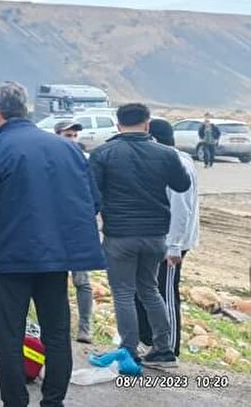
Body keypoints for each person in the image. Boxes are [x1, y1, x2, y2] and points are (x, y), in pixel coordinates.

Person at [0, 81, 106, 405]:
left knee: (7, 337)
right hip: (55, 257)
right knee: (57, 333)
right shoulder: (68, 149)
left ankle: (15, 401)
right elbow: (92, 201)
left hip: (9, 258)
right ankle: (53, 401)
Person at [89, 103, 191, 371]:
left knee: (123, 293)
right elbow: (182, 184)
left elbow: (92, 197)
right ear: (147, 124)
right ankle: (163, 349)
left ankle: (129, 351)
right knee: (150, 289)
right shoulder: (166, 154)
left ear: (117, 124)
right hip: (155, 235)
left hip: (120, 235)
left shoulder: (103, 153)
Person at [138, 119, 200, 358]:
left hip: (170, 244)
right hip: (156, 240)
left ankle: (168, 350)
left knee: (166, 292)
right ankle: (149, 341)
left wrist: (173, 245)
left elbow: (181, 207)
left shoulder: (175, 163)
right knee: (145, 290)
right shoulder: (163, 160)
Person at [52, 119, 96, 344]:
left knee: (82, 280)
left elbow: (95, 196)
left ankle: (85, 327)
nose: (72, 139)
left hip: (78, 228)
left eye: (74, 136)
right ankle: (57, 326)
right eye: (67, 135)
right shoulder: (48, 160)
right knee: (54, 280)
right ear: (57, 135)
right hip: (53, 228)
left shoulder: (86, 161)